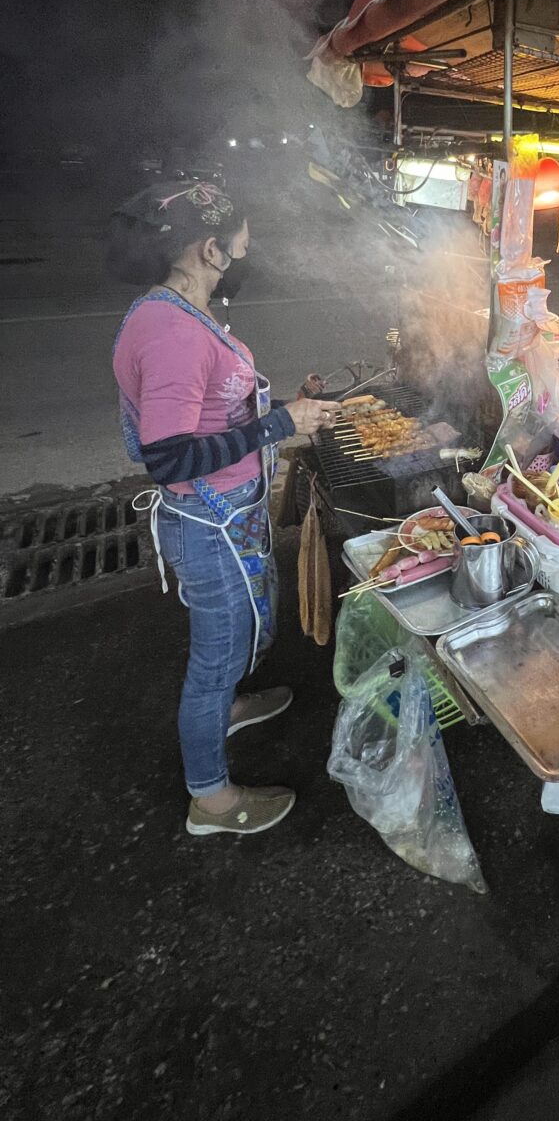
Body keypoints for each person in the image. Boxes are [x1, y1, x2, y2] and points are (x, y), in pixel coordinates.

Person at [109, 181, 336, 837]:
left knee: (232, 643)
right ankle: (210, 799)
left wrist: (282, 409)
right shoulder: (170, 329)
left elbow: (216, 409)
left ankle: (230, 704)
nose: (249, 246)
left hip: (227, 516)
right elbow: (171, 458)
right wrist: (277, 427)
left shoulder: (186, 309)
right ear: (210, 247)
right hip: (206, 525)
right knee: (212, 659)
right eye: (243, 236)